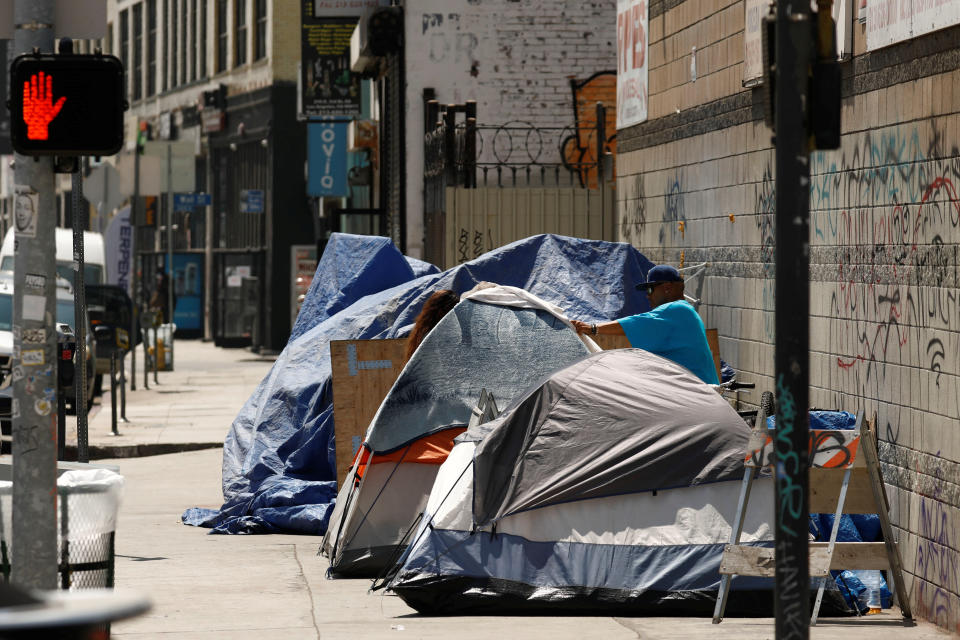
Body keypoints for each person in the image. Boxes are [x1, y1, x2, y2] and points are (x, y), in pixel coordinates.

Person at [571, 265, 719, 385]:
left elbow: (637, 322)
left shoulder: (676, 309)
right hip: (700, 391)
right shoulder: (684, 311)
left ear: (667, 288)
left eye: (650, 289)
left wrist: (592, 328)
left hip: (699, 393)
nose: (647, 295)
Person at [404, 289, 459, 362]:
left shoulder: (422, 332)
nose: (456, 316)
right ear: (441, 312)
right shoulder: (433, 337)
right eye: (453, 311)